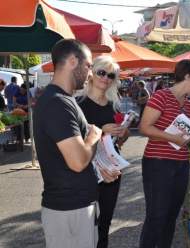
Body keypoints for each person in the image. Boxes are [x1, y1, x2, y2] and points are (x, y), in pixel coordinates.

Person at [33, 39, 102, 248]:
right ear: (73, 61)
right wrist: (93, 136)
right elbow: (78, 161)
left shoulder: (65, 99)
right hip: (69, 211)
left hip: (76, 208)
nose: (91, 73)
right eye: (89, 66)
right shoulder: (57, 103)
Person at [138, 59, 190, 248]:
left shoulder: (186, 104)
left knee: (171, 216)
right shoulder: (161, 96)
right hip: (158, 163)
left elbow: (188, 139)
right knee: (157, 216)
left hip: (181, 164)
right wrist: (172, 138)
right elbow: (144, 127)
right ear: (186, 76)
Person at [78, 55, 129, 248]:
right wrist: (101, 129)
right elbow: (73, 140)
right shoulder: (77, 104)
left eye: (111, 75)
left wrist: (123, 133)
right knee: (85, 223)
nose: (105, 78)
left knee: (105, 223)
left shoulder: (112, 105)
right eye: (101, 72)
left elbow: (118, 142)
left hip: (111, 168)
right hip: (87, 170)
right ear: (91, 73)